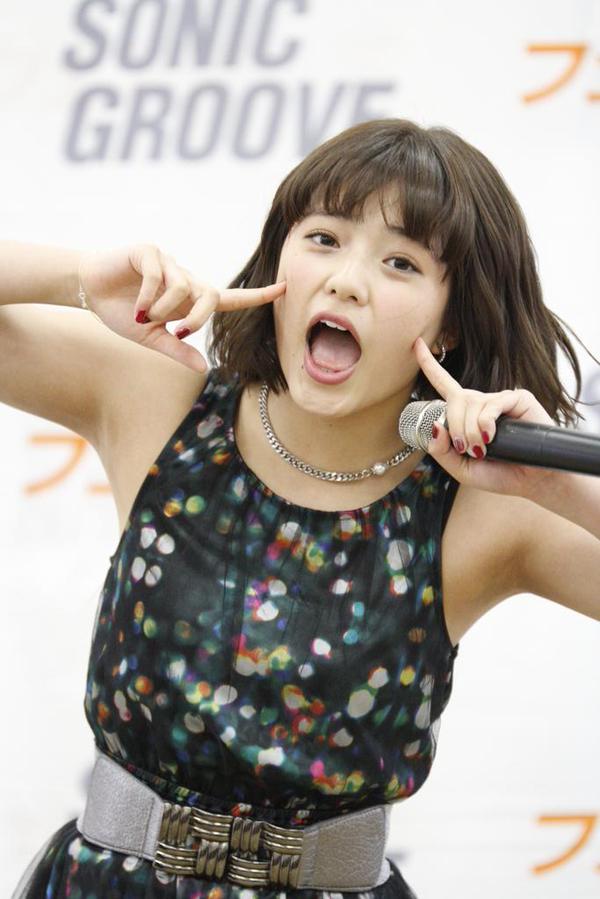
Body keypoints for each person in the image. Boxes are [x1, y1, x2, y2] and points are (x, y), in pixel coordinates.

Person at [3, 118, 599, 899]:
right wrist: (80, 279)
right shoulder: (162, 402)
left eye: (400, 262)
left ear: (451, 320)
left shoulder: (483, 510)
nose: (346, 280)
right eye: (323, 238)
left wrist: (556, 486)